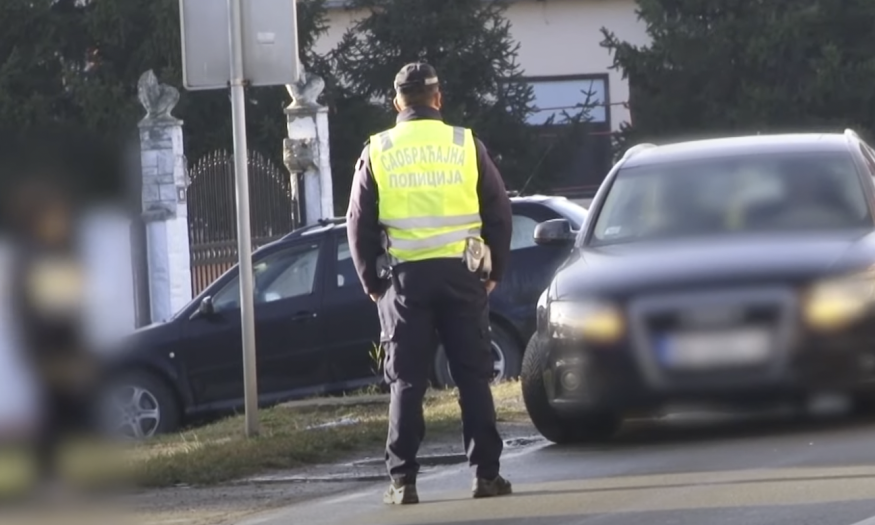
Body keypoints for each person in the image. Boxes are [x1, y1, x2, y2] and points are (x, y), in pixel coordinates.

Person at [346, 62, 514, 505]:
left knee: (407, 383)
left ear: (397, 102)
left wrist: (372, 282)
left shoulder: (378, 149)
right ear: (438, 99)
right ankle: (485, 476)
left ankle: (403, 482)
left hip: (405, 283)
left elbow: (358, 222)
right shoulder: (465, 143)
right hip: (462, 276)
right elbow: (499, 210)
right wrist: (493, 273)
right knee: (473, 378)